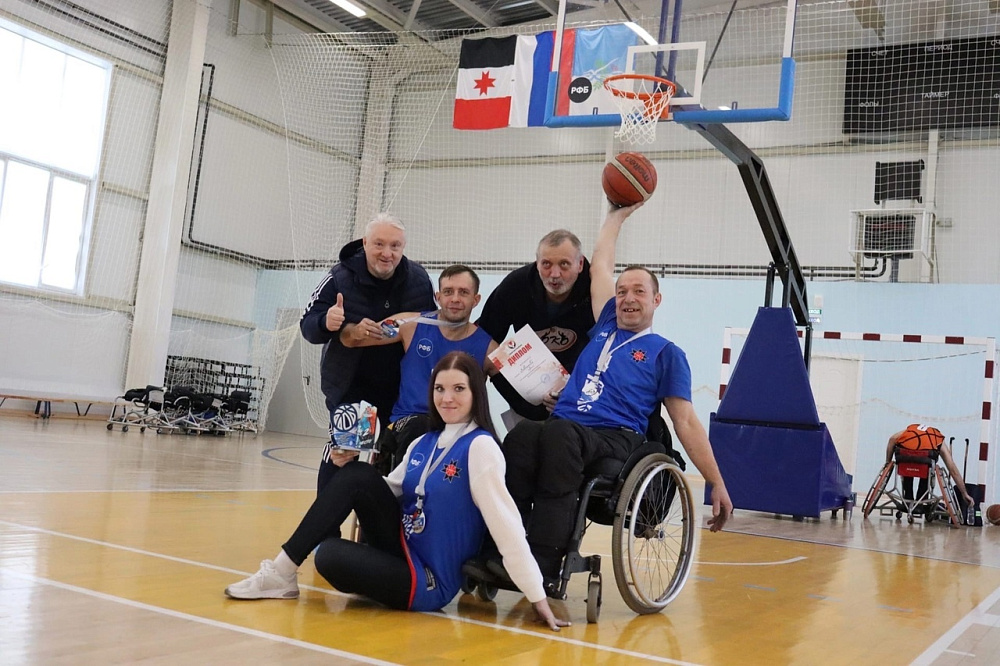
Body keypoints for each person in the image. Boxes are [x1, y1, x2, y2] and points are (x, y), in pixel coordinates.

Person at [224, 352, 570, 631]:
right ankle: (281, 573)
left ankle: (282, 574)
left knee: (330, 555)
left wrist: (536, 595)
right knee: (358, 476)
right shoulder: (424, 442)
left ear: (475, 393)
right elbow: (387, 491)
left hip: (429, 578)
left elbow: (507, 527)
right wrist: (346, 468)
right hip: (401, 546)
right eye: (439, 389)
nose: (447, 398)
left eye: (458, 389)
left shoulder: (481, 447)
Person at [493, 203, 733, 584]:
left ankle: (543, 564)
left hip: (615, 437)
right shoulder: (605, 323)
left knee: (558, 436)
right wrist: (616, 216)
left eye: (639, 291)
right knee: (521, 436)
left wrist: (715, 481)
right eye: (622, 291)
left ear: (656, 300)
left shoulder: (666, 353)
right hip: (568, 427)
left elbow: (686, 421)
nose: (627, 297)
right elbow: (601, 264)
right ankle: (503, 552)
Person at [300, 213, 435, 491]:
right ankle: (328, 517)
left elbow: (432, 329)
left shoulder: (419, 280)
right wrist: (327, 322)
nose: (387, 253)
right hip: (355, 390)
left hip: (401, 395)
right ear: (364, 243)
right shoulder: (339, 277)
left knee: (393, 459)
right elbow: (308, 325)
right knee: (345, 455)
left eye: (395, 246)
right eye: (379, 244)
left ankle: (378, 519)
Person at [340, 264, 498, 474]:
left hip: (458, 432)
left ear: (476, 300)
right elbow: (350, 340)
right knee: (420, 426)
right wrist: (354, 331)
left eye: (463, 292)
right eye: (448, 292)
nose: (455, 299)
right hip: (408, 424)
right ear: (438, 296)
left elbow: (523, 383)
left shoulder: (490, 349)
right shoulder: (410, 324)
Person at [476, 229, 595, 421]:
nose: (555, 274)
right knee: (482, 349)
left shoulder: (595, 288)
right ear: (537, 263)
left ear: (580, 264)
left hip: (581, 393)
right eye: (546, 264)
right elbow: (483, 336)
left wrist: (575, 390)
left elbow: (609, 349)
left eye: (564, 264)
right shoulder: (516, 286)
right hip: (528, 391)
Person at [885, 424, 974, 509]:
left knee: (907, 466)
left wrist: (888, 462)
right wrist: (964, 493)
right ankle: (921, 501)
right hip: (925, 459)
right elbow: (952, 469)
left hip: (904, 458)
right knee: (928, 467)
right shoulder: (937, 438)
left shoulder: (908, 431)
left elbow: (892, 439)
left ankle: (908, 498)